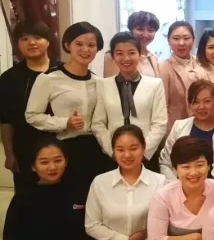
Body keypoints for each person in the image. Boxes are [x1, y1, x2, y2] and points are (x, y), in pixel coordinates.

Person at [25, 21, 110, 203]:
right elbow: (31, 115)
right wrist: (64, 123)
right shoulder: (49, 78)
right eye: (79, 44)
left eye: (91, 45)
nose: (85, 49)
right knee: (70, 201)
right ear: (67, 45)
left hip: (96, 149)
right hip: (66, 148)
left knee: (94, 201)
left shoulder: (99, 81)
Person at [0, 20, 61, 193]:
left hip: (61, 148)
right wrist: (9, 154)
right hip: (24, 148)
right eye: (24, 39)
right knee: (27, 197)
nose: (31, 43)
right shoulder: (9, 78)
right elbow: (6, 120)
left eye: (37, 37)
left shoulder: (63, 71)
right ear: (17, 44)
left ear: (48, 41)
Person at [92, 32, 168, 170]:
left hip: (146, 157)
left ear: (139, 55)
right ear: (113, 56)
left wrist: (143, 152)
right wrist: (113, 151)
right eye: (119, 53)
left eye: (132, 53)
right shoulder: (103, 85)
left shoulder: (155, 84)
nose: (126, 58)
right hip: (114, 157)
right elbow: (98, 123)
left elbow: (160, 123)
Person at [159, 80, 214, 180]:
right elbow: (166, 163)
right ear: (190, 104)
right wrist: (177, 185)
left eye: (207, 101)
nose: (201, 107)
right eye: (196, 102)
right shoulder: (179, 127)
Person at [159, 21, 210, 132]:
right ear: (168, 41)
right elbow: (162, 106)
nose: (181, 43)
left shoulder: (202, 63)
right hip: (177, 128)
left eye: (186, 38)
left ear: (193, 40)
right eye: (176, 38)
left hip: (205, 124)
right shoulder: (164, 68)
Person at [103, 11, 161, 78]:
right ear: (131, 30)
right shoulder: (114, 56)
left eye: (150, 30)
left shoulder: (153, 58)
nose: (145, 35)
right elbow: (110, 82)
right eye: (140, 29)